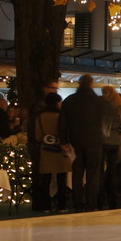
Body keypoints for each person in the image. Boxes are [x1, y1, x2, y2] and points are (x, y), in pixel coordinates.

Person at [60, 75, 106, 211]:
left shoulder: (69, 101)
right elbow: (104, 123)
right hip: (94, 142)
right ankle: (91, 204)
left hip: (75, 142)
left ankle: (77, 204)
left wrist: (63, 141)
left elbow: (62, 123)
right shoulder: (98, 102)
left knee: (77, 173)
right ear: (91, 84)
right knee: (93, 175)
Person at [31, 91, 71, 212]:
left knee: (46, 180)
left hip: (46, 150)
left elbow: (38, 136)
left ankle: (46, 206)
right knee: (61, 179)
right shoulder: (61, 116)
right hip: (60, 150)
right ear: (56, 103)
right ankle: (62, 205)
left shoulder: (40, 117)